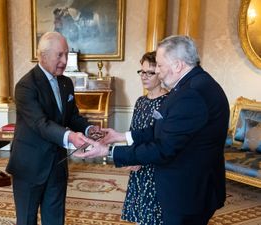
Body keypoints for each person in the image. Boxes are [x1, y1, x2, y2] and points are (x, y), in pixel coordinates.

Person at [75, 35, 230, 225]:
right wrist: (121, 136)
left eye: (160, 66)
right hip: (190, 186)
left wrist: (108, 151)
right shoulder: (192, 85)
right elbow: (161, 129)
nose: (158, 71)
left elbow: (163, 148)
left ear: (178, 65)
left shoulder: (191, 94)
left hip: (187, 192)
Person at [6, 32, 93, 225]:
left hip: (57, 165)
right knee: (27, 220)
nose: (64, 61)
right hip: (29, 166)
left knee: (55, 219)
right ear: (42, 56)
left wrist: (89, 130)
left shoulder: (66, 82)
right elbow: (40, 123)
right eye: (59, 55)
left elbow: (72, 116)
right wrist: (70, 137)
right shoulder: (25, 86)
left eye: (66, 54)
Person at [121, 51, 168, 225]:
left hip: (155, 167)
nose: (144, 76)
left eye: (150, 72)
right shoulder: (140, 101)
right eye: (142, 71)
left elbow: (162, 139)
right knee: (141, 213)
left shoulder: (168, 101)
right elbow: (133, 131)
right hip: (138, 164)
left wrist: (142, 158)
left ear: (161, 73)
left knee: (154, 215)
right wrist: (131, 156)